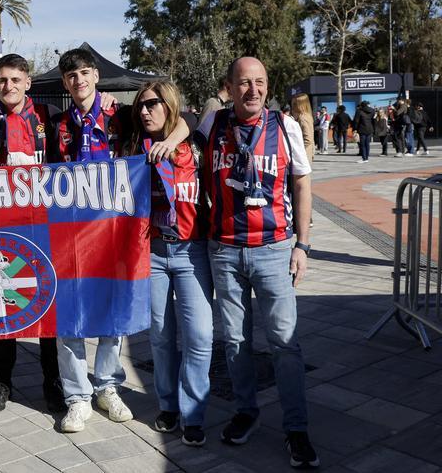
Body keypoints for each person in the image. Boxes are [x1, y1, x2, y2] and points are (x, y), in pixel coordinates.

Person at [52, 47, 191, 433]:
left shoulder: (122, 115)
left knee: (113, 311)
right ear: (64, 83)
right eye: (70, 77)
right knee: (69, 314)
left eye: (83, 73)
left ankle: (107, 386)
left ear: (96, 75)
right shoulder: (58, 123)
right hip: (70, 234)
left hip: (116, 231)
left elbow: (185, 120)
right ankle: (76, 397)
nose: (78, 81)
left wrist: (172, 140)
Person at [195, 57, 318, 469]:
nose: (253, 90)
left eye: (260, 82)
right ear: (228, 87)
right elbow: (179, 131)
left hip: (275, 249)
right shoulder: (212, 125)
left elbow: (302, 183)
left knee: (285, 342)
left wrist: (304, 244)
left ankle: (296, 428)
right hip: (225, 251)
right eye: (243, 82)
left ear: (268, 86)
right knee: (235, 342)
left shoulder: (285, 127)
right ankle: (245, 411)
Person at [122, 80, 212, 447]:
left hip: (192, 253)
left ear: (169, 104)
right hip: (154, 254)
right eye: (140, 106)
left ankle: (194, 413)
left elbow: (200, 112)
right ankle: (169, 407)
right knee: (160, 337)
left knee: (200, 336)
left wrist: (174, 140)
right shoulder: (132, 146)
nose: (144, 111)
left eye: (152, 104)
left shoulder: (196, 145)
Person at [0, 53, 66, 413]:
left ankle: (52, 380)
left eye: (15, 79)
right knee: (1, 303)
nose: (9, 86)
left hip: (43, 226)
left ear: (27, 82)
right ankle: (3, 381)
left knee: (47, 303)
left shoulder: (49, 117)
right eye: (2, 80)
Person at [291, 94, 314, 163]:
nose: (293, 106)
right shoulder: (306, 115)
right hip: (306, 153)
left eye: (294, 104)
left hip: (303, 156)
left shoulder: (303, 118)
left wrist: (297, 151)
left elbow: (308, 139)